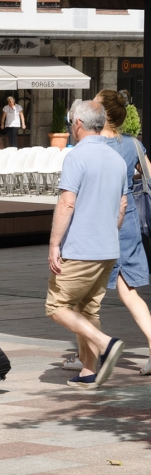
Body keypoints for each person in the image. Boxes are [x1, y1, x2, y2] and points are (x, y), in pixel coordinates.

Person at [63, 90, 151, 375]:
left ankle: (87, 358)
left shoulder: (93, 146)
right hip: (129, 228)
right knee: (129, 293)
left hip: (100, 228)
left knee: (83, 298)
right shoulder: (132, 145)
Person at [46, 100, 128, 389]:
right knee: (88, 310)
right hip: (107, 248)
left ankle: (106, 343)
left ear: (78, 124)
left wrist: (55, 244)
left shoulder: (76, 157)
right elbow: (122, 204)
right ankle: (89, 372)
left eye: (70, 122)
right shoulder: (117, 159)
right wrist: (108, 232)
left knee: (56, 306)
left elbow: (67, 203)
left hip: (79, 248)